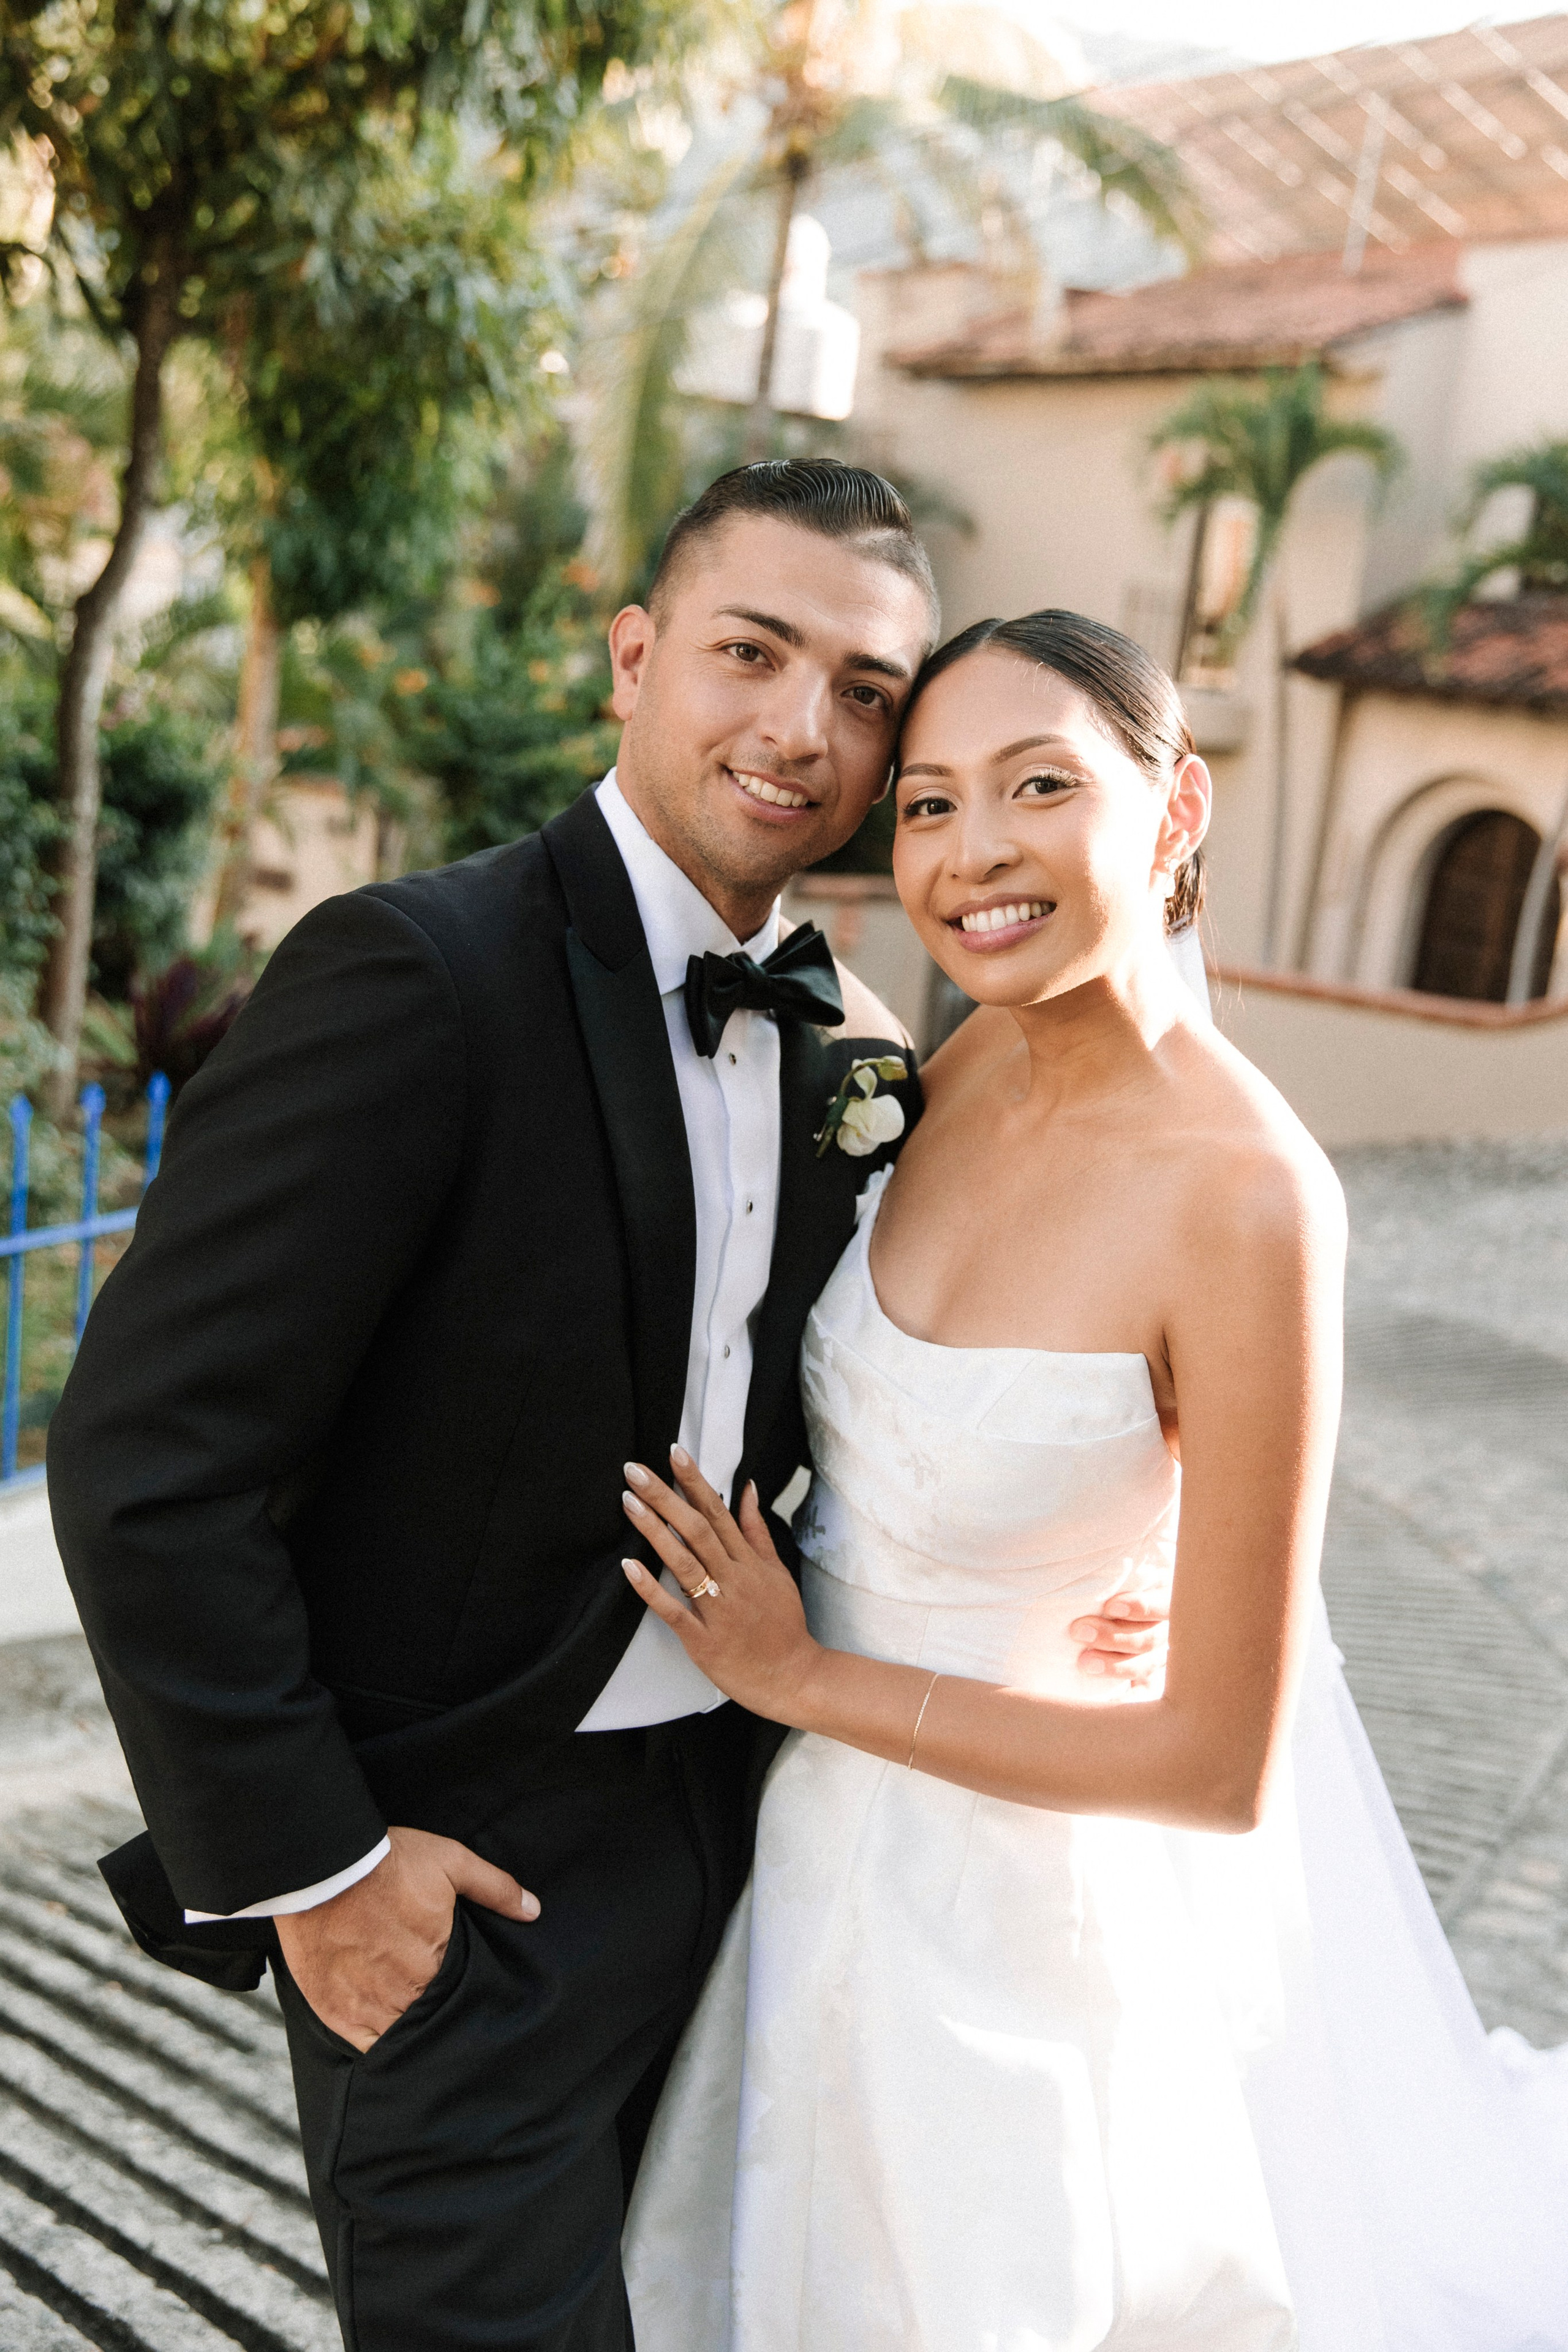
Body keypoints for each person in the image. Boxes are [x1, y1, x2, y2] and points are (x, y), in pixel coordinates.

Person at [47, 467, 1161, 2352]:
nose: (801, 729)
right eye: (751, 652)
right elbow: (147, 1460)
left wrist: (1084, 1575)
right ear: (634, 659)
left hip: (768, 1853)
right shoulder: (412, 975)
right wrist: (322, 1871)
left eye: (866, 690)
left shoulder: (859, 1050)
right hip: (465, 1885)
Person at [617, 611, 1568, 2351]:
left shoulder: (1251, 1197)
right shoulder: (956, 1059)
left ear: (1178, 805)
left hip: (1029, 1936)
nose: (974, 851)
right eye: (926, 804)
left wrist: (812, 1677)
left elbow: (1216, 1764)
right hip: (814, 1847)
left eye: (1040, 785)